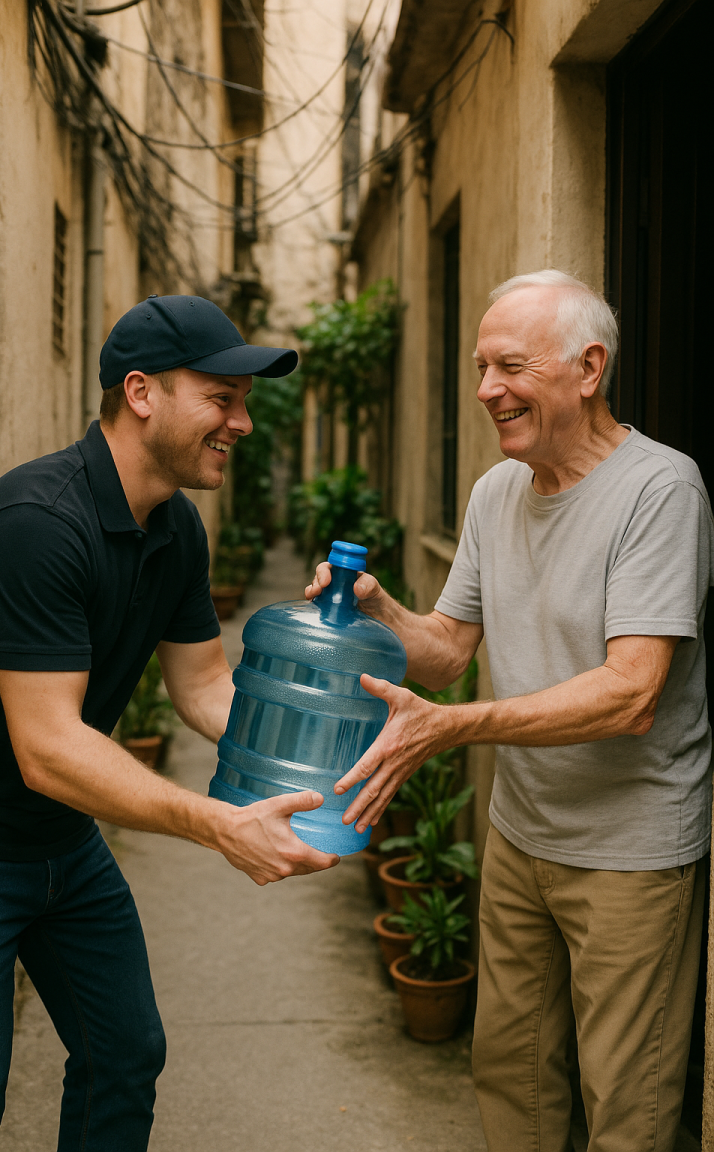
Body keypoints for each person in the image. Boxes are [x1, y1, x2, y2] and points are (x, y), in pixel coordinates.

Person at [307, 270, 713, 1151]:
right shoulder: (498, 492)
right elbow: (450, 650)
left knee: (626, 1109)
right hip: (523, 835)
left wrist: (455, 726)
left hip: (631, 855)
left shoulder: (661, 491)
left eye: (510, 366)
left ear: (588, 368)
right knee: (512, 1080)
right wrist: (378, 608)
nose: (487, 389)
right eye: (482, 367)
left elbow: (632, 691)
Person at [0, 294, 339, 1152]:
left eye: (243, 401)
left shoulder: (177, 530)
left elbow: (204, 688)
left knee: (126, 1056)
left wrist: (322, 762)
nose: (241, 421)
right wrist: (217, 824)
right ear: (141, 393)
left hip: (63, 847)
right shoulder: (37, 525)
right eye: (221, 397)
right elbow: (47, 749)